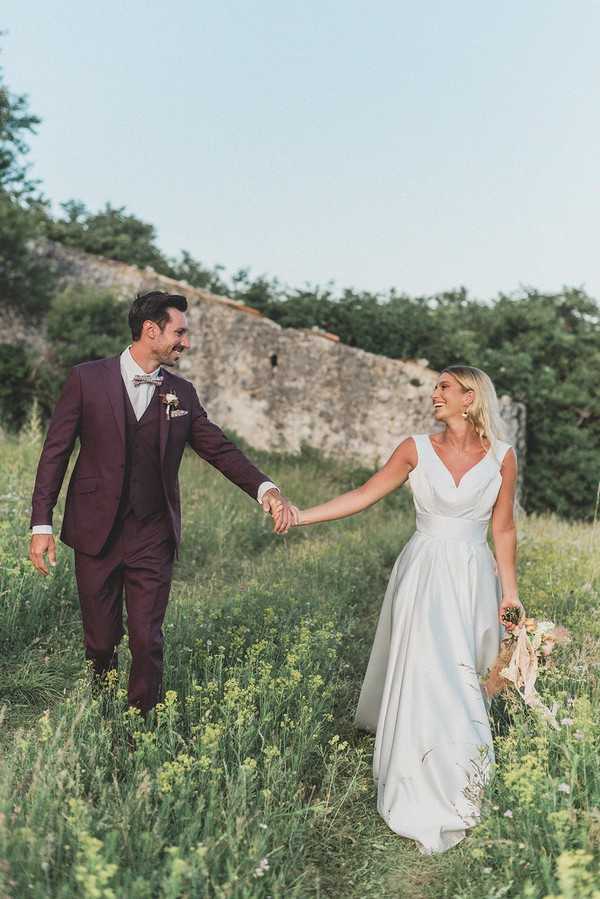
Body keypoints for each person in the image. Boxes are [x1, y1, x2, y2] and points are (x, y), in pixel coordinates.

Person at [281, 365, 524, 854]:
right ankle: (417, 775)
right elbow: (364, 494)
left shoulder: (502, 458)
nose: (434, 394)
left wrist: (510, 594)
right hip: (423, 571)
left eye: (444, 387)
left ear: (470, 397)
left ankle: (464, 775)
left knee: (466, 673)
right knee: (426, 671)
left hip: (474, 576)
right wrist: (302, 515)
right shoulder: (415, 447)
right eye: (435, 387)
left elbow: (503, 529)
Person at [29, 291, 294, 713]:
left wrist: (266, 488)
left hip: (152, 533)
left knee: (147, 637)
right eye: (180, 332)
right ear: (151, 331)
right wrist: (40, 524)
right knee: (99, 640)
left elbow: (219, 450)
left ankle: (141, 720)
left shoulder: (182, 394)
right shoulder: (87, 378)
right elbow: (55, 452)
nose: (185, 343)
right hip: (95, 529)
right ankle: (102, 707)